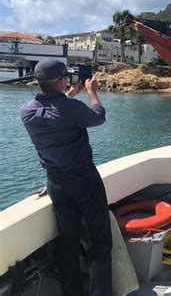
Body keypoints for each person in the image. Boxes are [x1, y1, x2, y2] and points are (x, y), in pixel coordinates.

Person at [20, 59, 112, 296]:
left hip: (56, 183)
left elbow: (55, 111)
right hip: (83, 179)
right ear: (62, 81)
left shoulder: (27, 110)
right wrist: (91, 93)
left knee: (68, 242)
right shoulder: (70, 109)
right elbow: (98, 116)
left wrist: (70, 94)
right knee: (100, 241)